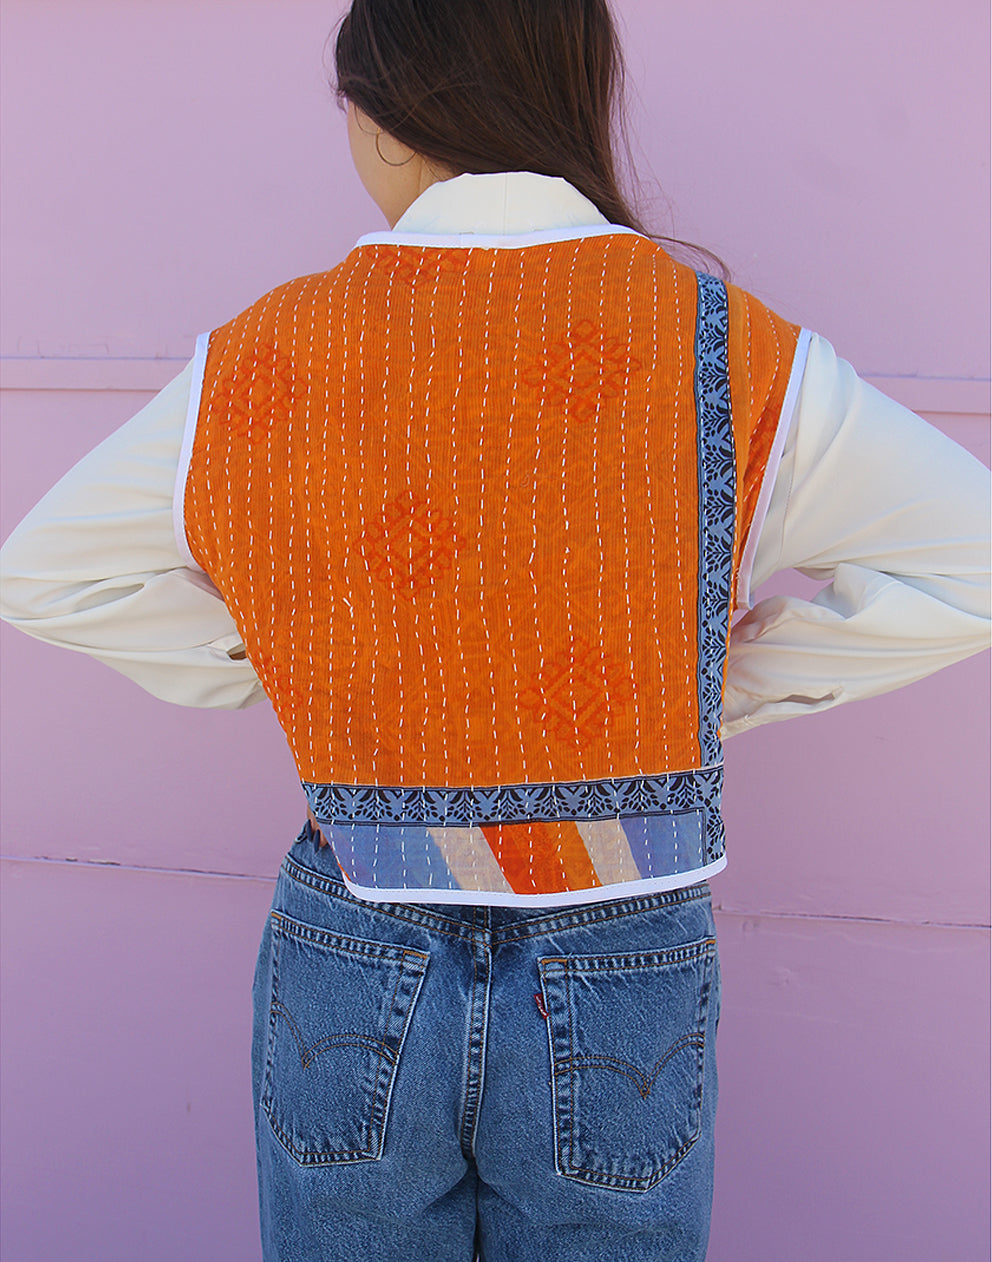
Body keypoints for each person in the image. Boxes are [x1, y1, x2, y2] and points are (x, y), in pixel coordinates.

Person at [1, 1, 988, 1258]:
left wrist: (293, 668)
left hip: (358, 927)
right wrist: (716, 683)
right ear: (568, 91)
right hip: (621, 941)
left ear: (384, 115)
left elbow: (46, 572)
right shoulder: (722, 343)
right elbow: (968, 557)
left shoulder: (265, 350)